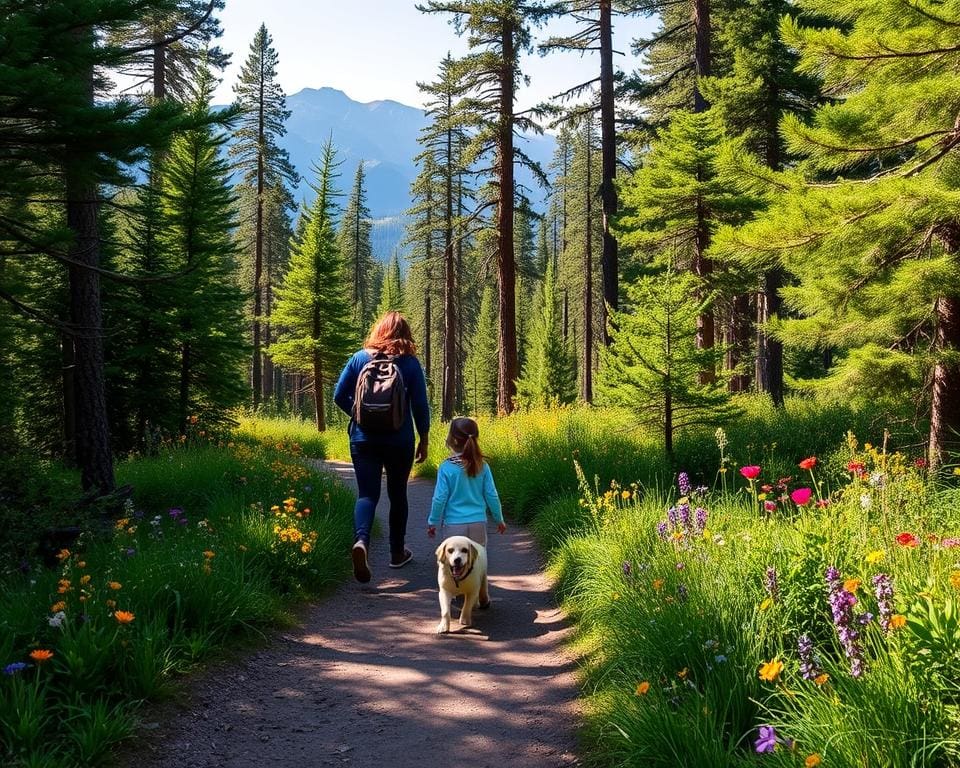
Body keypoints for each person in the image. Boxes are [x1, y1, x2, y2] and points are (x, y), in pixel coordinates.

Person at [333, 311, 430, 583]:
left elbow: (338, 395)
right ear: (405, 334)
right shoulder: (409, 363)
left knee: (367, 495)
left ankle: (361, 542)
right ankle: (397, 553)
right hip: (400, 441)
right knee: (398, 494)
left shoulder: (360, 358)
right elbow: (420, 406)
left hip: (363, 439)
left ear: (379, 331)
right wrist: (424, 438)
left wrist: (359, 414)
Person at [427, 417, 506, 605]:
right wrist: (499, 519)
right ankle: (482, 594)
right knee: (478, 561)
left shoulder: (446, 468)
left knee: (452, 561)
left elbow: (440, 498)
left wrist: (433, 521)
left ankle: (455, 592)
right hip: (478, 522)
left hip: (454, 525)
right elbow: (492, 496)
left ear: (452, 440)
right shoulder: (482, 466)